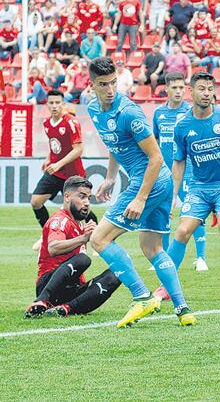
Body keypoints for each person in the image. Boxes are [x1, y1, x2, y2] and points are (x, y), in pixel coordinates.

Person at [85, 57, 196, 328]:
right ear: (92, 85)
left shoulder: (129, 113)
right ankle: (183, 309)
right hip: (157, 182)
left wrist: (140, 197)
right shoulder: (93, 109)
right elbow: (113, 142)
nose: (110, 89)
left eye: (113, 83)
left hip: (151, 180)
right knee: (152, 247)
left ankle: (142, 296)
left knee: (98, 239)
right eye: (104, 84)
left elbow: (156, 157)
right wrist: (110, 177)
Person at [159, 72, 220, 302]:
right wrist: (172, 193)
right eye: (201, 88)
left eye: (210, 89)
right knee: (181, 231)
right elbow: (178, 161)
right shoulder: (182, 126)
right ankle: (166, 287)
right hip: (198, 188)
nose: (207, 93)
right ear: (192, 92)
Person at [24, 176, 121, 319]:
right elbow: (53, 248)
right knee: (83, 260)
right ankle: (41, 301)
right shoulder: (60, 220)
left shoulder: (81, 225)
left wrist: (100, 237)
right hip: (49, 285)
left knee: (118, 272)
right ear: (67, 197)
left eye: (88, 198)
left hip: (71, 289)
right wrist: (83, 239)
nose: (87, 203)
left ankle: (65, 309)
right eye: (82, 197)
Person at [152, 73, 208, 271]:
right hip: (166, 173)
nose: (178, 91)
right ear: (166, 89)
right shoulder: (158, 114)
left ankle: (201, 257)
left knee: (194, 212)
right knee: (164, 213)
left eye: (181, 88)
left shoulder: (191, 112)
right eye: (174, 88)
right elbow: (155, 143)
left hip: (190, 171)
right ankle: (164, 258)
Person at [30, 91, 96, 251]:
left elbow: (78, 149)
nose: (54, 106)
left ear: (63, 105)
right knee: (36, 201)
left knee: (81, 208)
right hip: (56, 171)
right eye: (51, 103)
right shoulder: (46, 123)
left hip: (73, 174)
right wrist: (48, 158)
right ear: (47, 105)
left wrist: (58, 163)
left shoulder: (71, 122)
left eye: (57, 103)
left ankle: (97, 237)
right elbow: (54, 144)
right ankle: (47, 234)